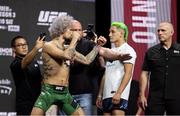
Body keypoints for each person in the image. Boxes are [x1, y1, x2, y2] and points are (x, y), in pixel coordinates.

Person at [30, 14, 102, 115]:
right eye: (70, 30)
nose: (73, 33)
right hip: (49, 92)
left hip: (65, 93)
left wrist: (97, 46)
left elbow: (87, 60)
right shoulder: (48, 45)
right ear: (62, 30)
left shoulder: (67, 48)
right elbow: (66, 55)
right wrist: (74, 40)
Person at [137, 22, 180, 115]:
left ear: (171, 32)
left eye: (163, 30)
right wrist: (142, 95)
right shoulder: (151, 51)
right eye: (158, 31)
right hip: (155, 97)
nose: (160, 33)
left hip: (176, 96)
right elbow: (144, 73)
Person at [96, 22, 137, 115]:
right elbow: (106, 74)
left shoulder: (128, 50)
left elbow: (128, 73)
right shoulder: (110, 52)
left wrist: (119, 93)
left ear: (121, 33)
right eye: (109, 32)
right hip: (106, 95)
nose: (109, 34)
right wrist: (100, 94)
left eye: (113, 32)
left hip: (119, 94)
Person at [10, 35, 44, 115]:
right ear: (14, 49)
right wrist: (36, 48)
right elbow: (24, 62)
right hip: (25, 106)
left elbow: (41, 81)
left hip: (39, 104)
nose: (24, 47)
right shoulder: (15, 64)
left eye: (25, 44)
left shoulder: (35, 63)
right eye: (19, 45)